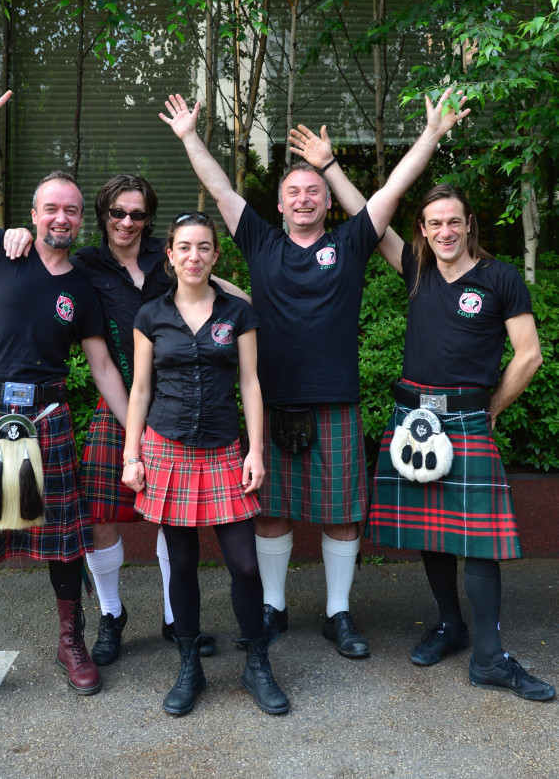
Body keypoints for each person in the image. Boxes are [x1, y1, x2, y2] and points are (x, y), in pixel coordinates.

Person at [160, 89, 468, 658]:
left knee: (342, 517)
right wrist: (189, 138)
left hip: (334, 401)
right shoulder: (259, 241)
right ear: (278, 205)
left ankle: (338, 613)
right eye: (293, 192)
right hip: (271, 401)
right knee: (271, 513)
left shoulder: (352, 243)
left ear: (329, 204)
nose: (303, 199)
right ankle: (274, 608)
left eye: (314, 192)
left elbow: (393, 189)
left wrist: (429, 136)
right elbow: (223, 190)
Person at [0, 85, 131, 717]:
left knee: (65, 541)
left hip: (46, 418)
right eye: (50, 209)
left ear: (79, 219)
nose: (61, 217)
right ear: (33, 215)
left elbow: (103, 369)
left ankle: (70, 642)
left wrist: (138, 435)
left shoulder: (86, 289)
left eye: (70, 209)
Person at [4, 174, 247, 664]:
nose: (127, 222)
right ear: (103, 215)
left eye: (137, 214)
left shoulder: (168, 256)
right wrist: (21, 235)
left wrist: (212, 278)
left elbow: (239, 302)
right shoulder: (86, 263)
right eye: (117, 212)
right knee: (100, 518)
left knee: (173, 521)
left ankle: (176, 620)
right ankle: (112, 615)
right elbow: (47, 258)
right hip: (119, 404)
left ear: (148, 219)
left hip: (182, 405)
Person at [363, 183, 555, 700]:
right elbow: (370, 220)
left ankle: (490, 660)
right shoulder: (416, 269)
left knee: (480, 542)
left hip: (467, 420)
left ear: (469, 223)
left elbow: (529, 355)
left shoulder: (500, 278)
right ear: (422, 230)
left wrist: (491, 409)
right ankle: (452, 626)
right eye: (434, 223)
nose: (445, 231)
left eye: (454, 221)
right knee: (432, 532)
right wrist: (330, 166)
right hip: (413, 419)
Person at [122, 211, 289, 716]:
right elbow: (141, 388)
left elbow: (250, 384)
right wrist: (132, 456)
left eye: (204, 248)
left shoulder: (237, 314)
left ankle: (257, 661)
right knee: (184, 562)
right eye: (184, 247)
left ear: (216, 256)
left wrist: (255, 450)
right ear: (169, 256)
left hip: (222, 450)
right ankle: (189, 664)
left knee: (243, 561)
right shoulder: (150, 315)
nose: (194, 256)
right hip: (166, 449)